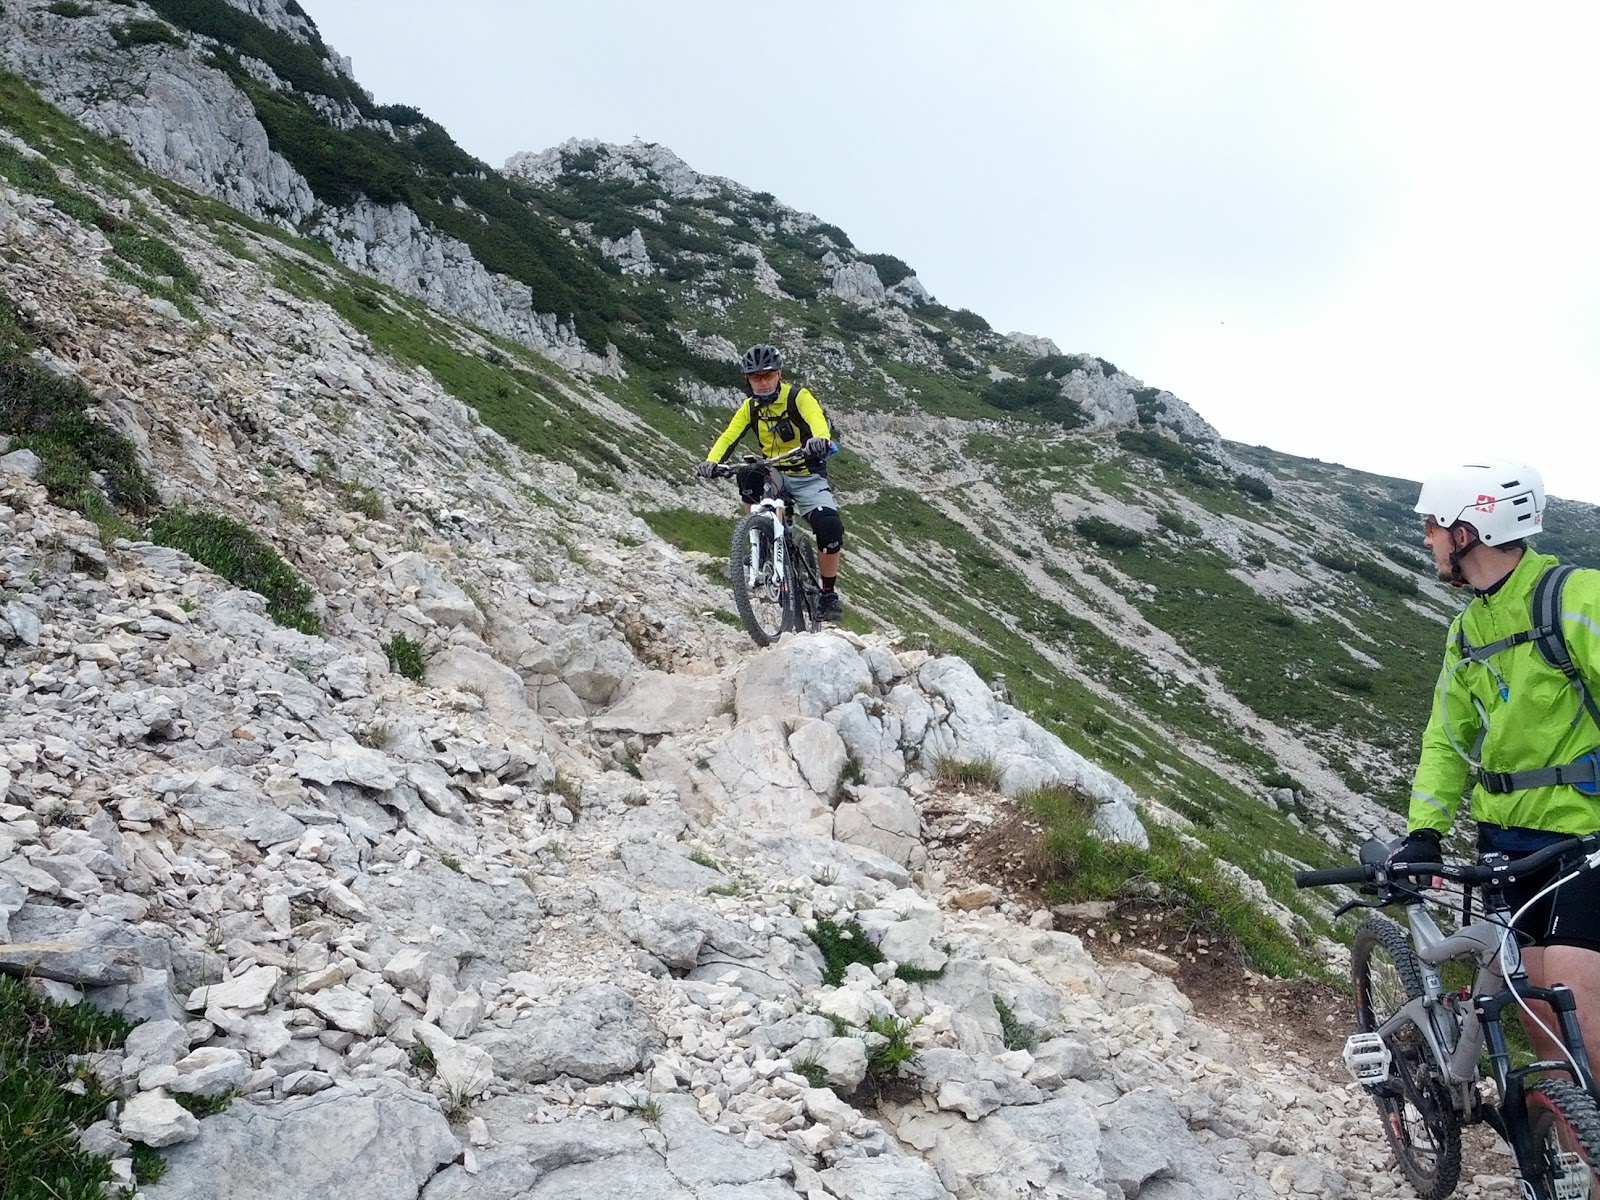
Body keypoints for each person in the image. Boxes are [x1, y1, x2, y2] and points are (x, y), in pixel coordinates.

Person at [1390, 459, 1600, 1060]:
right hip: (1505, 842)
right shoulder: (1465, 630)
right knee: (1542, 1024)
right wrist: (1425, 833)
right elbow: (1445, 739)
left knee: (1575, 1003)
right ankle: (1558, 1124)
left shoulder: (1576, 596)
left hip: (1583, 836)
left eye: (1433, 527)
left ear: (1465, 533)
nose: (1426, 540)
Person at [694, 343, 845, 622]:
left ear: (779, 374)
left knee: (830, 526)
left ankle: (827, 594)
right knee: (748, 475)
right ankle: (759, 542)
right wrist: (711, 462)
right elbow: (729, 436)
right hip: (773, 471)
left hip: (806, 474)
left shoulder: (798, 397)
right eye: (755, 377)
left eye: (767, 376)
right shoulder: (749, 408)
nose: (762, 382)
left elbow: (816, 420)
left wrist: (819, 440)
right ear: (748, 380)